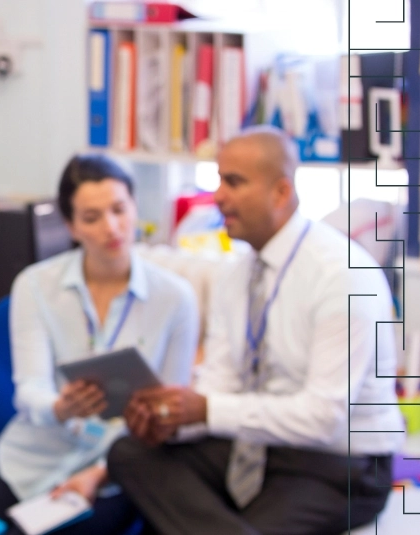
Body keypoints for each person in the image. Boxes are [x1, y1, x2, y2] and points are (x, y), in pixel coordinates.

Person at [108, 126, 403, 534]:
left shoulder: (341, 275)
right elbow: (221, 383)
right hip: (259, 447)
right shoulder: (236, 275)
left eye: (234, 182)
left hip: (341, 463)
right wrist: (173, 418)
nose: (218, 197)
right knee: (130, 453)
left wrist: (207, 409)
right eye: (218, 181)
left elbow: (325, 418)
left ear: (281, 194)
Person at [0, 154, 200, 534]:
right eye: (92, 218)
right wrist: (60, 407)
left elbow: (169, 417)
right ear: (71, 226)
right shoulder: (36, 286)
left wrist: (101, 474)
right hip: (30, 457)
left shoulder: (175, 299)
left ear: (135, 208)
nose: (112, 227)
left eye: (120, 210)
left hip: (114, 470)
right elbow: (29, 391)